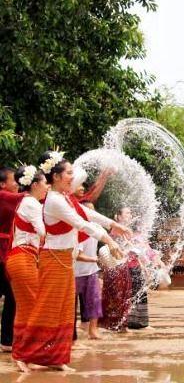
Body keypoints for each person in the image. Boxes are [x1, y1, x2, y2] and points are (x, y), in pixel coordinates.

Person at [16, 151, 129, 371]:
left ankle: (56, 357)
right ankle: (23, 354)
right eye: (69, 173)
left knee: (64, 310)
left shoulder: (66, 198)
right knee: (46, 309)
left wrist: (113, 226)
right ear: (56, 177)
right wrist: (108, 239)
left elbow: (88, 215)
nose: (72, 176)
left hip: (65, 261)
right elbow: (80, 223)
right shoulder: (55, 201)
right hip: (53, 260)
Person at [4, 166, 47, 372]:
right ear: (35, 184)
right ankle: (23, 355)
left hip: (21, 258)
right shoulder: (31, 203)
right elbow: (42, 231)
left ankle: (22, 355)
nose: (47, 186)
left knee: (26, 308)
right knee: (31, 309)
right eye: (44, 183)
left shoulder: (28, 202)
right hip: (23, 258)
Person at [0, 166, 24, 352]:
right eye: (13, 180)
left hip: (7, 252)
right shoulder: (3, 196)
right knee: (11, 296)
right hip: (3, 252)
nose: (17, 183)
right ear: (2, 184)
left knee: (12, 296)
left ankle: (7, 340)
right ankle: (6, 340)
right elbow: (26, 197)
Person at [100, 206, 135, 332]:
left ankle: (120, 324)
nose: (130, 215)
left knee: (124, 295)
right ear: (118, 217)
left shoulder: (128, 231)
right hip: (114, 266)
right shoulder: (115, 231)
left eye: (130, 213)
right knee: (115, 295)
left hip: (123, 267)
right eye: (127, 213)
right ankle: (114, 324)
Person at [74, 201, 104, 340]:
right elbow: (77, 255)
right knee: (70, 306)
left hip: (91, 271)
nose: (92, 214)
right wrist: (95, 259)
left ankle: (93, 330)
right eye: (88, 211)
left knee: (95, 300)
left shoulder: (96, 227)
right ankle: (70, 335)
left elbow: (109, 237)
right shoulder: (78, 230)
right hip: (76, 272)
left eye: (93, 211)